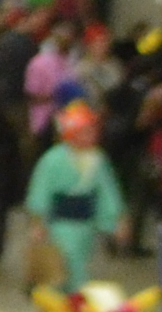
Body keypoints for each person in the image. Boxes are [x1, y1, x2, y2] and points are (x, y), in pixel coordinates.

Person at [26, 103, 131, 289]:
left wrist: (118, 219)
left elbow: (108, 191)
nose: (92, 135)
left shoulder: (98, 159)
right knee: (67, 264)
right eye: (85, 131)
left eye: (92, 131)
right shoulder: (52, 160)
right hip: (59, 224)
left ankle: (72, 298)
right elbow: (41, 191)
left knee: (79, 260)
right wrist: (37, 221)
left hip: (86, 224)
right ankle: (69, 299)